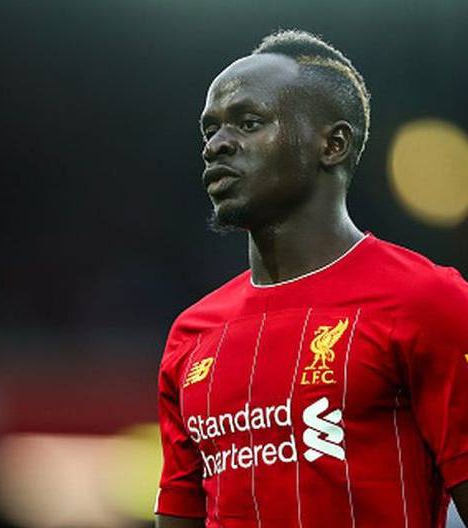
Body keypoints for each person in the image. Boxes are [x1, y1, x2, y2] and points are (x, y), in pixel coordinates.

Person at [154, 29, 468, 528]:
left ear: (333, 144)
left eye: (248, 123)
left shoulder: (427, 301)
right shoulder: (192, 336)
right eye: (210, 130)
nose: (217, 145)